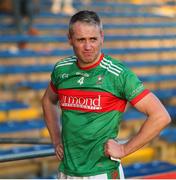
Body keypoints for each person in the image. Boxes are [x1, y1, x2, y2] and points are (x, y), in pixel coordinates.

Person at [42, 10, 171, 179]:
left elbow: (161, 116)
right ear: (70, 39)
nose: (88, 47)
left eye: (93, 39)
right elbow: (48, 101)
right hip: (66, 171)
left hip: (102, 173)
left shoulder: (118, 74)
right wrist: (56, 139)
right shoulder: (62, 69)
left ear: (102, 37)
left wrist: (124, 149)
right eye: (81, 40)